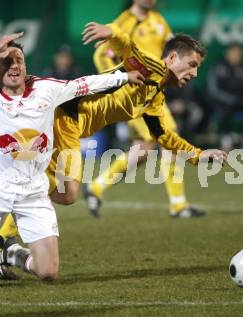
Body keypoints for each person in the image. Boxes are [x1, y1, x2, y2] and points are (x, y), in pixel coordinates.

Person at [0, 25, 228, 279]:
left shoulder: (155, 96)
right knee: (59, 189)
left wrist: (197, 155)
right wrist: (112, 33)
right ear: (173, 58)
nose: (195, 73)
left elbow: (163, 135)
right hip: (65, 119)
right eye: (192, 64)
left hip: (67, 124)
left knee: (60, 190)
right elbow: (128, 47)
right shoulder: (151, 67)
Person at [0, 32, 143, 281]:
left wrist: (123, 77)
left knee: (48, 272)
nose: (14, 65)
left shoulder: (45, 89)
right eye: (6, 61)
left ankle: (13, 254)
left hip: (34, 191)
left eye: (19, 60)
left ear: (26, 66)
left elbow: (84, 84)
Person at [87, 0, 204, 218]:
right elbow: (101, 55)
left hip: (153, 94)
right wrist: (118, 81)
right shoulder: (123, 23)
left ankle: (97, 187)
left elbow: (172, 52)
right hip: (134, 97)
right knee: (168, 137)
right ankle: (178, 204)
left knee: (143, 151)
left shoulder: (158, 21)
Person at [207, 44, 243, 151]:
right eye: (234, 53)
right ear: (227, 54)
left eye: (239, 54)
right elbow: (214, 91)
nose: (236, 56)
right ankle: (226, 139)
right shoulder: (218, 68)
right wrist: (230, 99)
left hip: (240, 101)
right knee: (224, 110)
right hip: (222, 102)